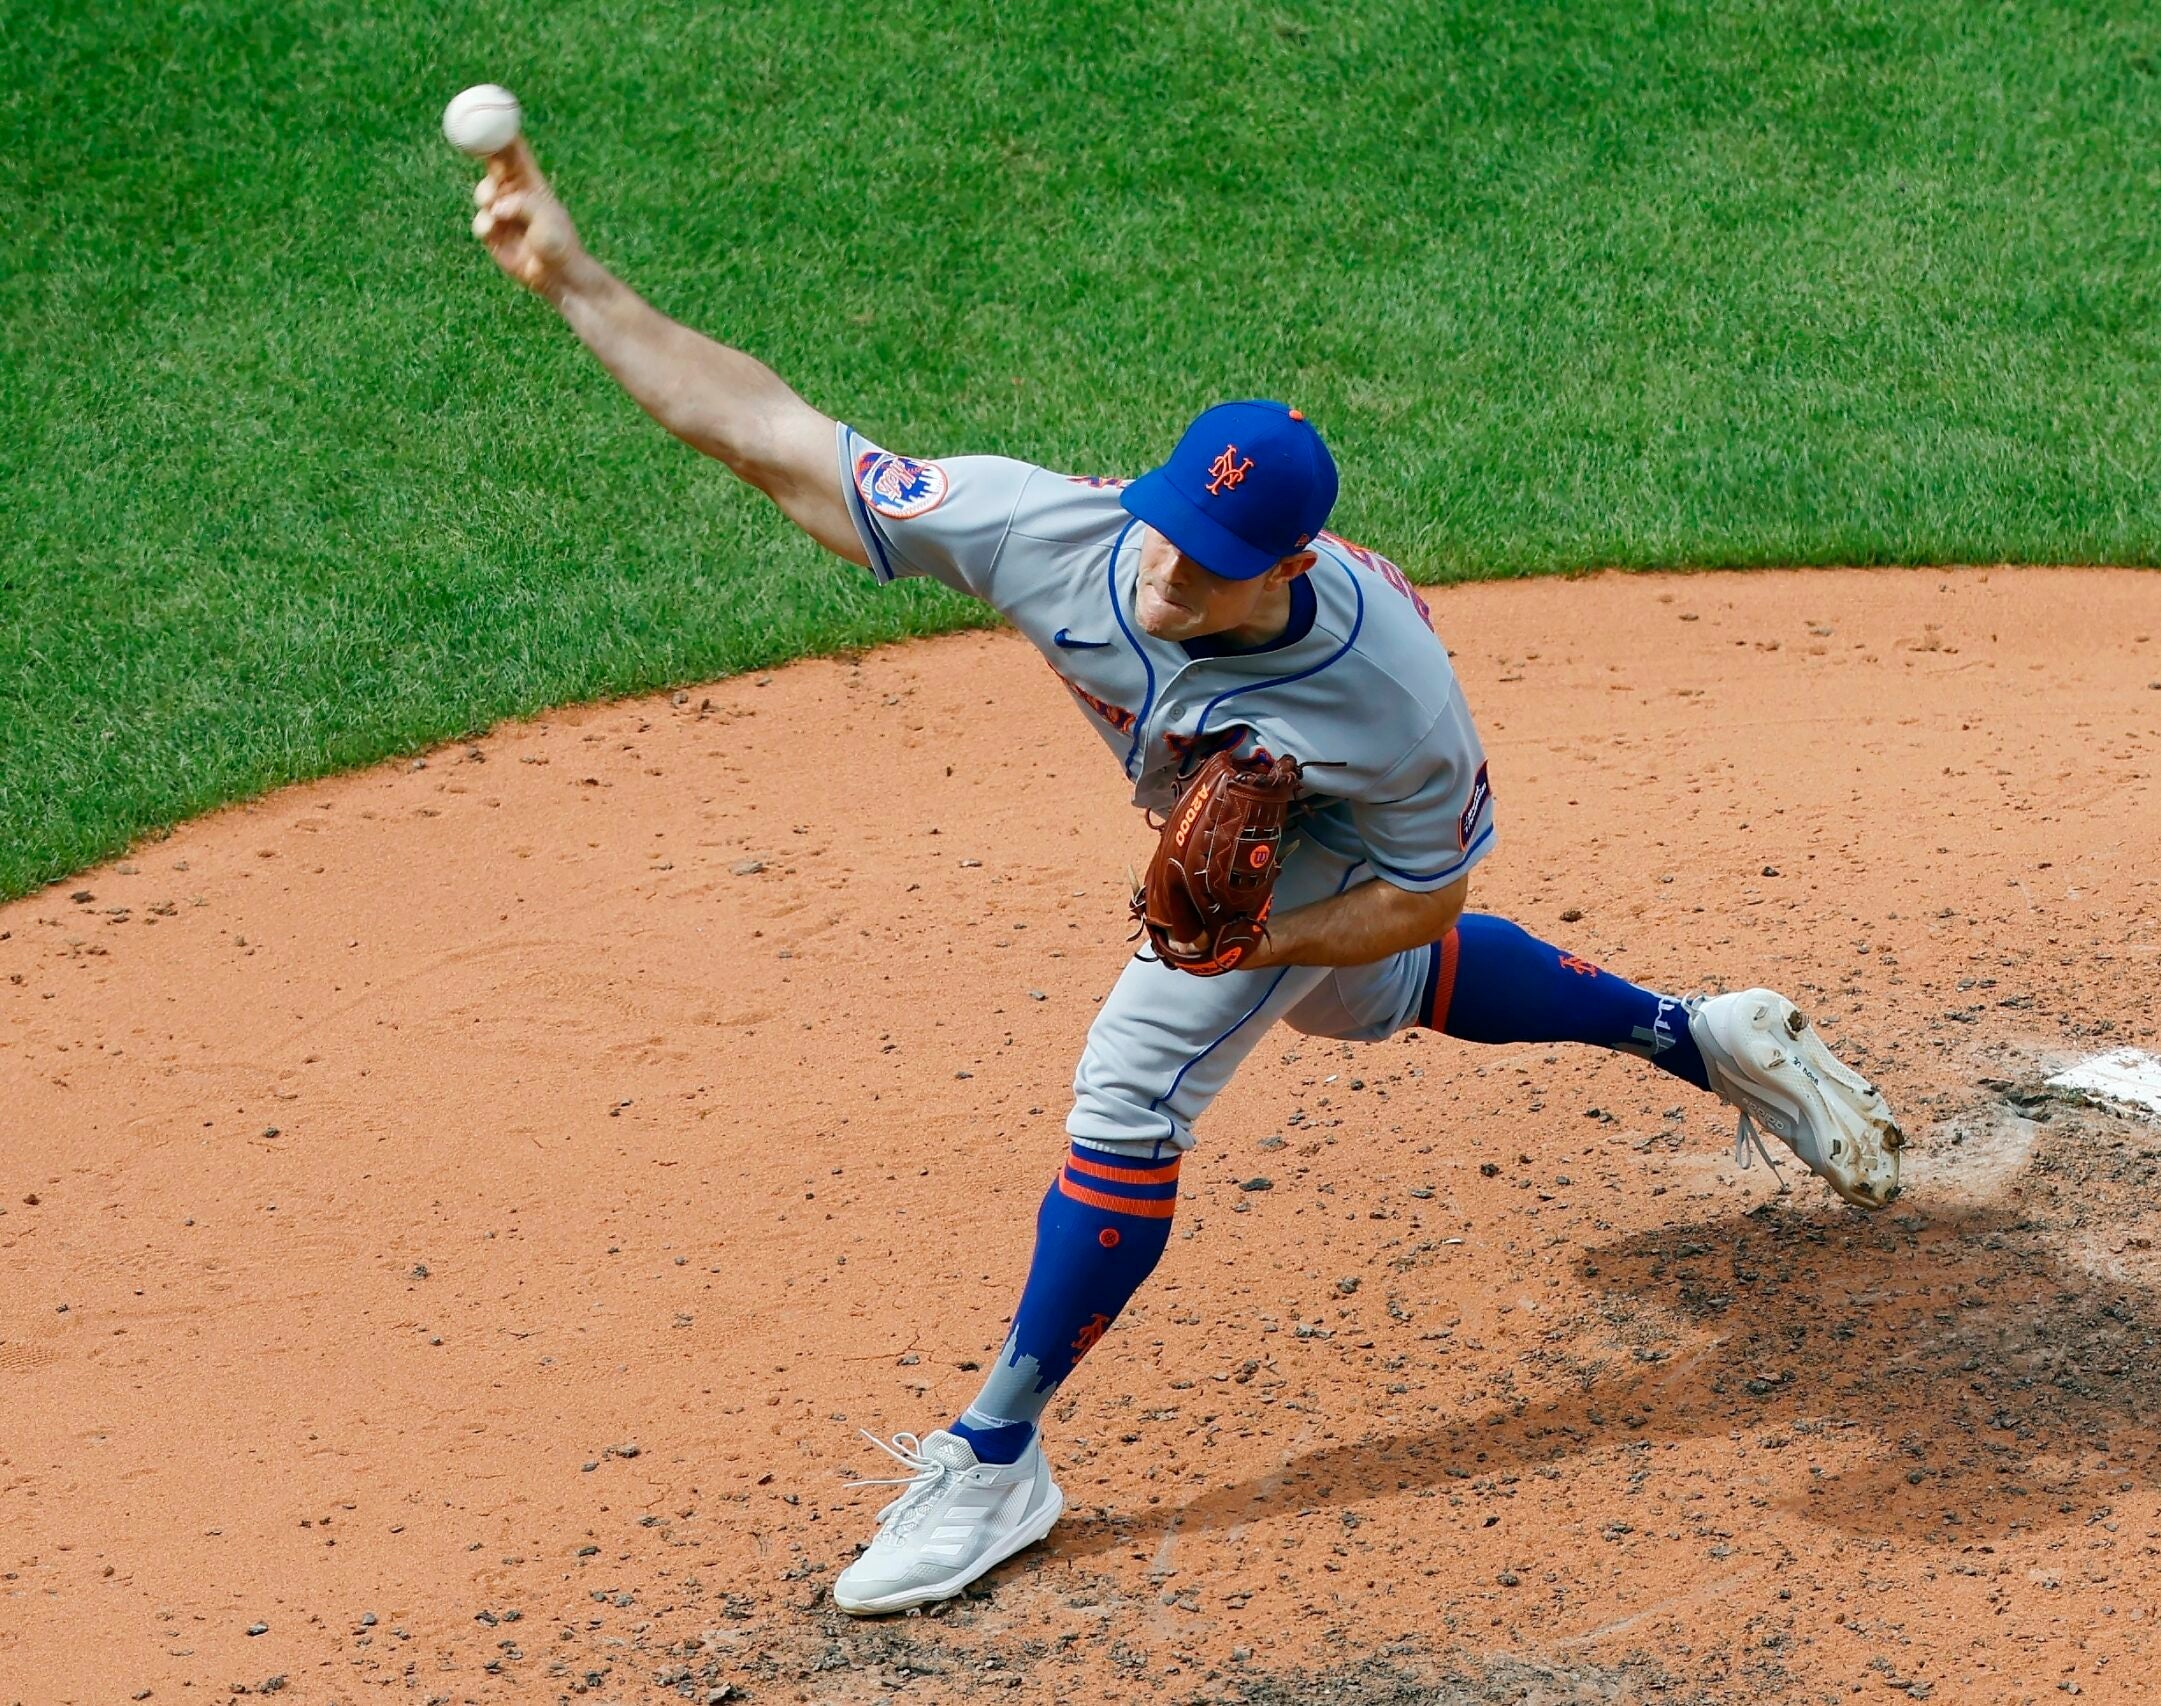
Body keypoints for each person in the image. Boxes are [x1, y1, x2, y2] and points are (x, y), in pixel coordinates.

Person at [462, 134, 1904, 1617]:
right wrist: (576, 280)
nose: (1166, 577)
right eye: (1170, 527)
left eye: (1213, 563)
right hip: (1294, 853)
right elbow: (776, 435)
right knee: (1364, 1006)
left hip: (1332, 844)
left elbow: (1427, 894)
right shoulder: (1060, 533)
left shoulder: (1391, 695)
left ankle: (996, 1455)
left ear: (1290, 566)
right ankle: (1699, 1033)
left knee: (1135, 1081)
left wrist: (1243, 944)